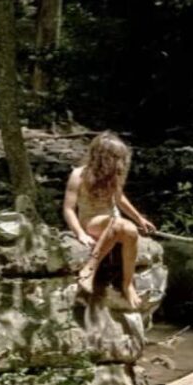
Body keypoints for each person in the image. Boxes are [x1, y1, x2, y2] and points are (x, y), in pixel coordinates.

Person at [62, 132, 156, 307]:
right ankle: (90, 268)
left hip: (113, 221)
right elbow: (68, 209)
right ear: (103, 158)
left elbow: (119, 199)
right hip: (90, 221)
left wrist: (139, 219)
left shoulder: (115, 174)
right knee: (119, 224)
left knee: (130, 230)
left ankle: (127, 284)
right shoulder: (79, 174)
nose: (120, 162)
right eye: (116, 158)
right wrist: (80, 234)